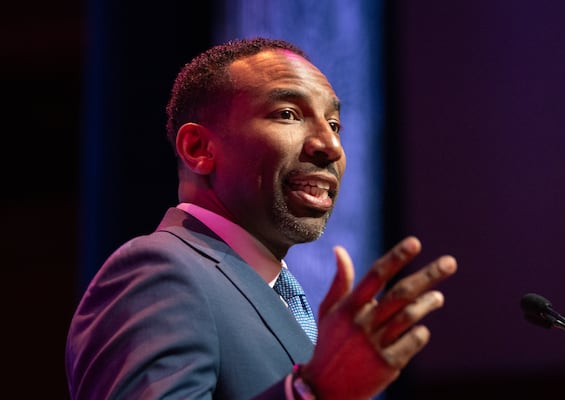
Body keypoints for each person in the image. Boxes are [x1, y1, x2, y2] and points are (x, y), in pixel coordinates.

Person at [65, 37, 457, 400]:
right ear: (199, 147)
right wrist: (311, 392)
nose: (331, 146)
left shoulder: (270, 291)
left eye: (334, 124)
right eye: (288, 114)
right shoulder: (160, 273)